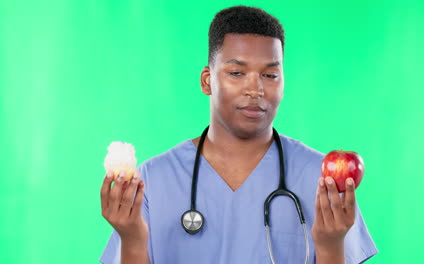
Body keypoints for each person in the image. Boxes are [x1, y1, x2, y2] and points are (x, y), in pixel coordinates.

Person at [99, 5, 378, 264]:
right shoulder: (154, 181)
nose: (255, 89)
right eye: (236, 72)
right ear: (208, 81)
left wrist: (331, 246)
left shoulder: (322, 181)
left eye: (270, 75)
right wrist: (131, 239)